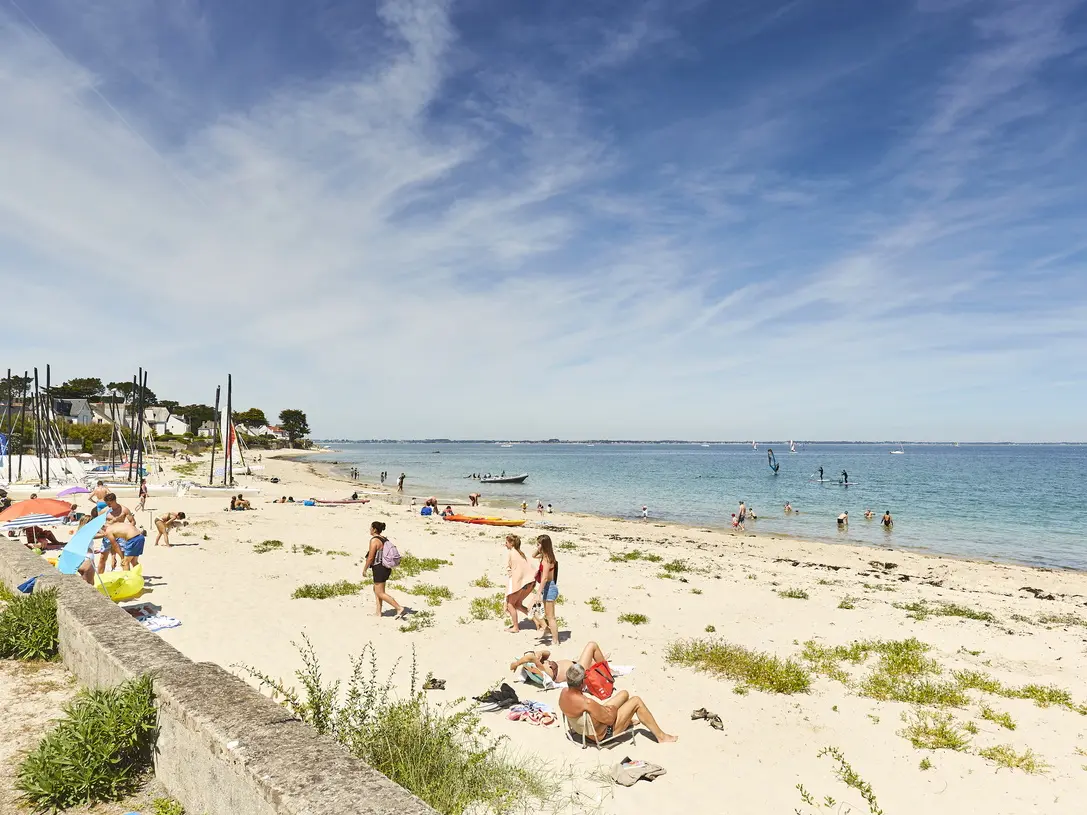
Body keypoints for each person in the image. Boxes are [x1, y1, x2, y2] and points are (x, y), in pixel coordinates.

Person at [559, 664, 677, 744]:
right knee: (636, 701)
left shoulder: (564, 694)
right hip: (604, 733)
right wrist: (613, 709)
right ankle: (661, 736)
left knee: (624, 694)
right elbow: (610, 720)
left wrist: (607, 709)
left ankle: (628, 719)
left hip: (588, 729)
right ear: (582, 682)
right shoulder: (587, 702)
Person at [509, 640, 609, 683]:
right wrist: (516, 664)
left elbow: (548, 653)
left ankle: (602, 661)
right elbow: (530, 657)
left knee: (593, 661)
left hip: (575, 665)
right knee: (592, 645)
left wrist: (540, 653)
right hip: (577, 672)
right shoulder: (540, 669)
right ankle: (607, 671)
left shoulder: (542, 665)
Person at [363, 521, 405, 619]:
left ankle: (398, 607)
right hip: (385, 568)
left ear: (374, 529)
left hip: (379, 568)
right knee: (377, 590)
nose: (369, 529)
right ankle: (378, 612)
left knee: (380, 592)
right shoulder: (384, 539)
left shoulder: (374, 540)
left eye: (370, 528)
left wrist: (364, 569)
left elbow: (370, 557)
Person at [504, 534, 537, 632]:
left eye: (506, 543)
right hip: (530, 581)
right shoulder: (521, 553)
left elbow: (515, 572)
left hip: (523, 582)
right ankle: (538, 621)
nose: (505, 545)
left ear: (512, 543)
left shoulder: (512, 553)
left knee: (510, 604)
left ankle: (515, 627)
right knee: (518, 604)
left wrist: (511, 588)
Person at [535, 534, 561, 644]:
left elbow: (545, 577)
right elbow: (533, 555)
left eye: (538, 544)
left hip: (549, 587)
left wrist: (538, 593)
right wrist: (538, 549)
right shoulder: (546, 556)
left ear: (544, 546)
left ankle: (555, 640)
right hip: (548, 587)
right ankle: (548, 630)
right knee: (542, 613)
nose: (536, 546)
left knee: (551, 617)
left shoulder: (546, 560)